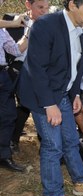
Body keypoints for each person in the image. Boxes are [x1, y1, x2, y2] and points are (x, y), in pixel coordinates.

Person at [18, 0, 83, 196]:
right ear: (73, 4)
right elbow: (36, 68)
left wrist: (74, 94)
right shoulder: (46, 25)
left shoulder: (81, 32)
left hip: (63, 93)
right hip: (42, 95)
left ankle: (82, 181)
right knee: (52, 145)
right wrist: (49, 105)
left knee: (71, 141)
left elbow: (77, 66)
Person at [8, 0, 49, 153]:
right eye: (40, 7)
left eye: (47, 8)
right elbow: (12, 48)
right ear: (28, 5)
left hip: (41, 70)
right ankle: (13, 139)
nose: (44, 11)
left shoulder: (50, 24)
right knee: (24, 105)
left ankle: (45, 141)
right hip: (19, 69)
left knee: (41, 104)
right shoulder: (17, 22)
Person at [0, 15, 28, 172]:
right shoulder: (6, 24)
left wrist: (29, 33)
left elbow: (16, 50)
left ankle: (3, 156)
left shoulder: (3, 31)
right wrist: (14, 23)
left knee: (8, 116)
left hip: (3, 76)